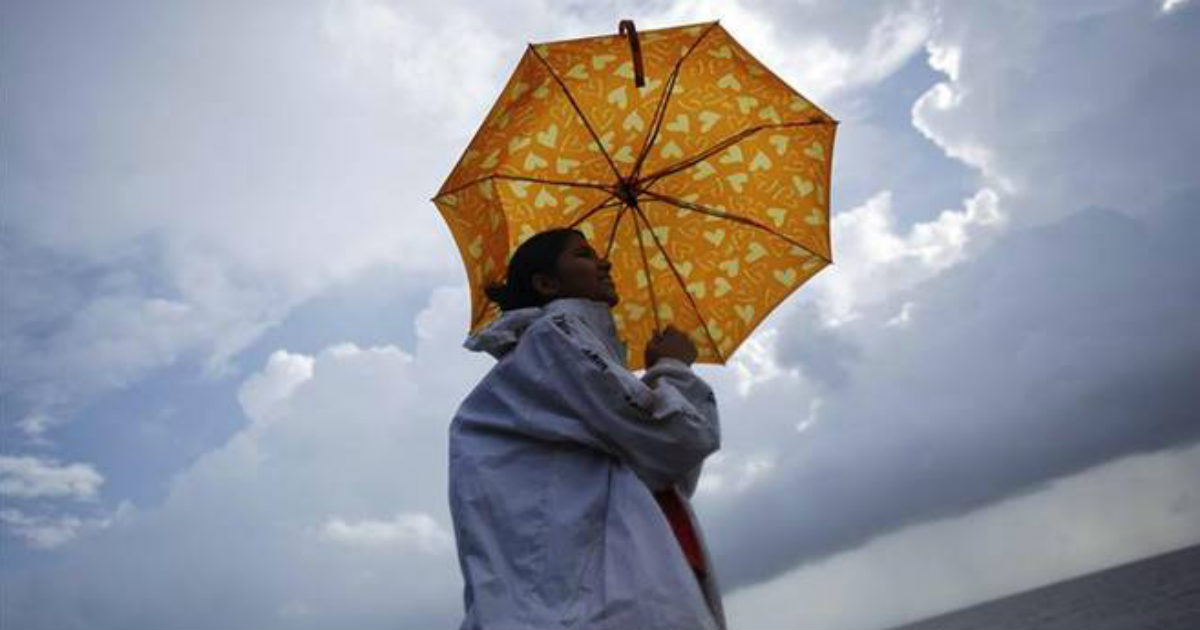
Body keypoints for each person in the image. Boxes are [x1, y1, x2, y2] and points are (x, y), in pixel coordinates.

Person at [449, 227, 725, 629]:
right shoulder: (554, 336)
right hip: (599, 608)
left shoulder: (567, 361)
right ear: (546, 283)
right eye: (583, 255)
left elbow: (671, 472)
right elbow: (679, 441)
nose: (604, 262)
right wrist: (673, 370)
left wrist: (658, 375)